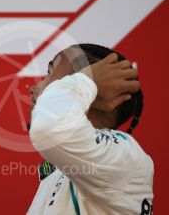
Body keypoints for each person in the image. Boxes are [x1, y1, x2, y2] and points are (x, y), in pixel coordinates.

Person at [27, 44, 154, 214]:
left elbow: (49, 126)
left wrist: (87, 79)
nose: (33, 88)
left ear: (94, 88)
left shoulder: (126, 156)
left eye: (51, 74)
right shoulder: (65, 164)